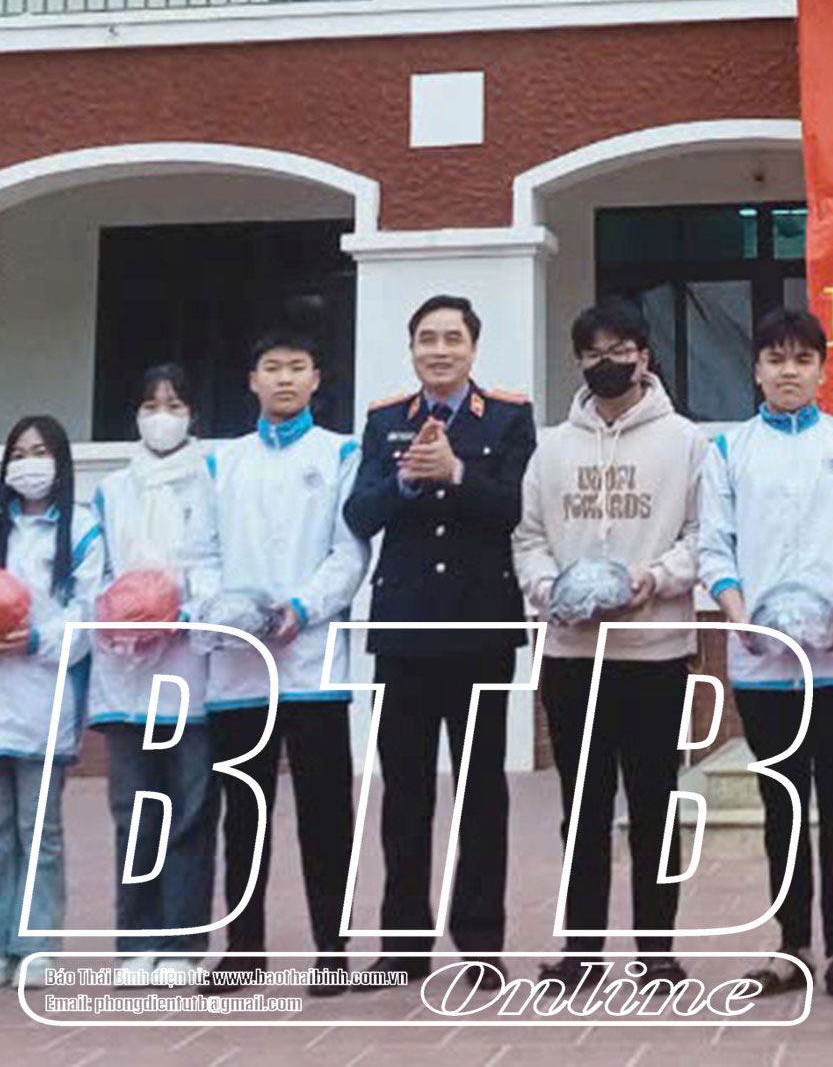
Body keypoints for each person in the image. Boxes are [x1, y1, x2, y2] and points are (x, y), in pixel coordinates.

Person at [699, 308, 833, 1009]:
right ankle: (791, 948)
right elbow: (714, 546)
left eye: (802, 359)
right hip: (764, 665)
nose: (789, 371)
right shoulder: (728, 451)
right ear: (756, 369)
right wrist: (737, 614)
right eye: (776, 358)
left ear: (822, 370)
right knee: (781, 806)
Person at [513, 299, 708, 990]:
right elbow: (529, 537)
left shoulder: (685, 441)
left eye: (620, 350)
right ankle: (582, 950)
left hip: (655, 650)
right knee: (582, 809)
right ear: (579, 362)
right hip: (572, 655)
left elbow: (702, 537)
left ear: (644, 357)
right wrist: (550, 590)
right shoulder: (551, 446)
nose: (607, 363)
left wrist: (654, 578)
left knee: (655, 804)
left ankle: (657, 950)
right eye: (593, 353)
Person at [342, 295, 538, 982]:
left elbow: (519, 508)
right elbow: (359, 513)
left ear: (473, 348)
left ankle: (481, 944)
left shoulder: (508, 417)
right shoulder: (384, 420)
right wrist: (404, 480)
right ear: (412, 350)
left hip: (481, 626)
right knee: (404, 793)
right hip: (405, 630)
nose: (440, 350)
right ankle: (403, 944)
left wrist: (457, 473)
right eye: (427, 339)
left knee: (481, 789)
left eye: (453, 338)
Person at [204, 332, 369, 989]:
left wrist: (303, 606)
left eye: (297, 368)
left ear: (316, 379)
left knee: (326, 812)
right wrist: (228, 611)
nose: (284, 379)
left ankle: (332, 950)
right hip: (238, 667)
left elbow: (349, 552)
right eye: (271, 367)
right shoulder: (221, 461)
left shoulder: (341, 454)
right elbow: (201, 554)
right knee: (244, 812)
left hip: (311, 663)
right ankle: (244, 949)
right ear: (252, 379)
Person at [84, 365, 224, 989]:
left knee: (190, 808)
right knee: (135, 811)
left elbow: (218, 561)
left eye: (174, 403)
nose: (161, 415)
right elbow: (94, 571)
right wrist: (118, 612)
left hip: (189, 664)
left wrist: (182, 607)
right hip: (124, 671)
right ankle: (137, 941)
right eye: (150, 404)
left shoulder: (213, 479)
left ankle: (182, 942)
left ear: (193, 413)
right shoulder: (112, 489)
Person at [0, 416, 91, 992]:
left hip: (42, 696)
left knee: (40, 831)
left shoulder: (83, 527)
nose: (30, 463)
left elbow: (87, 613)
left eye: (41, 451)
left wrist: (37, 640)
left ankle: (36, 946)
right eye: (20, 453)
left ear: (61, 461)